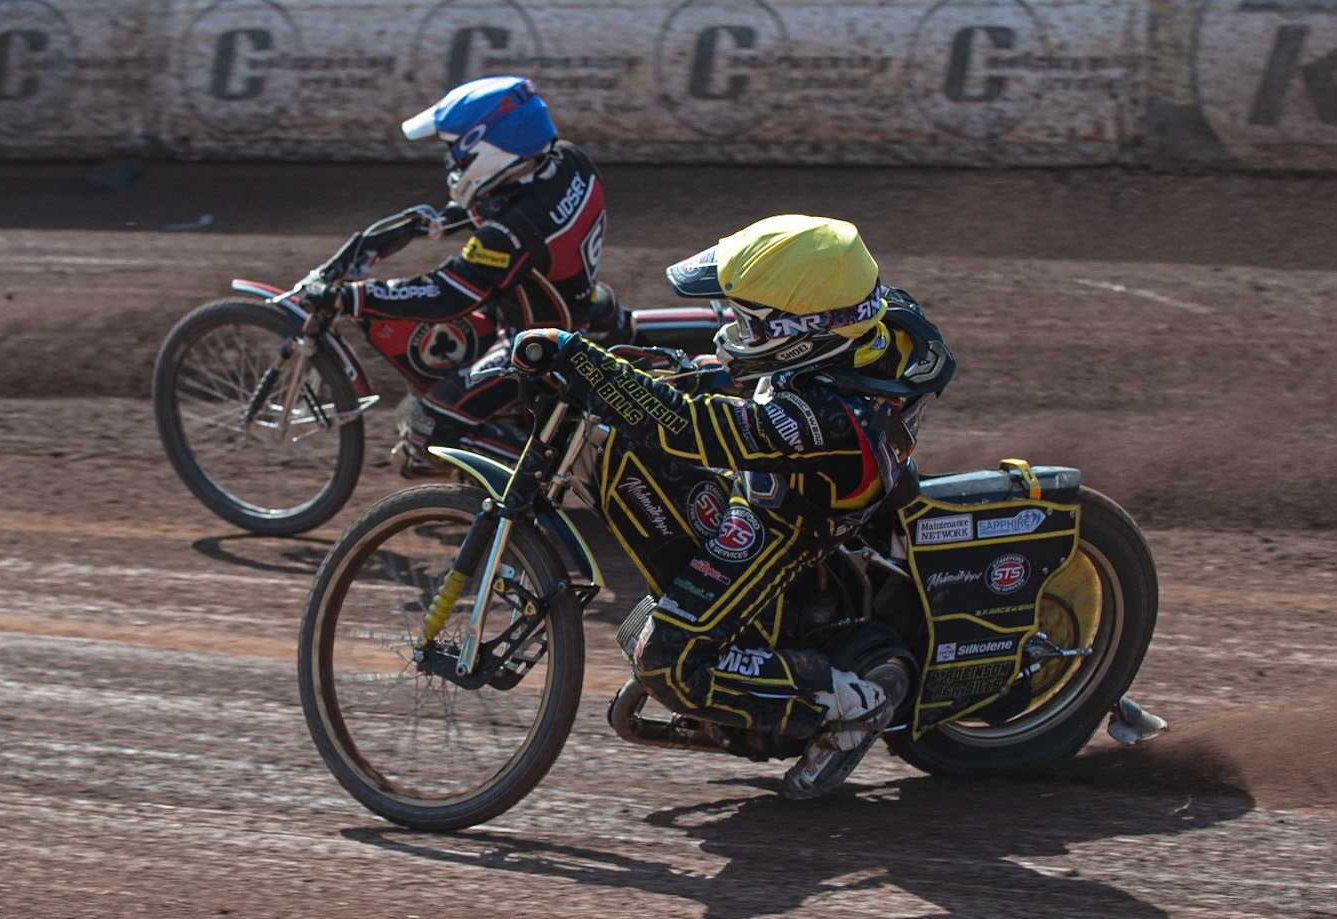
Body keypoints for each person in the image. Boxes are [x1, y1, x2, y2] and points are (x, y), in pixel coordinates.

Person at [510, 214, 955, 799]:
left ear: (802, 331)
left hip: (789, 521)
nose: (732, 327)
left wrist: (582, 359)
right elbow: (764, 375)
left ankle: (853, 700)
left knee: (665, 660)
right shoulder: (869, 314)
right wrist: (694, 370)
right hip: (816, 469)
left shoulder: (822, 417)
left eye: (748, 320)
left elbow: (688, 428)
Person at [303, 75, 627, 475]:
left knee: (427, 428)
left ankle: (560, 466)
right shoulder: (569, 161)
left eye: (455, 149)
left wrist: (352, 297)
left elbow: (445, 295)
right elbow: (510, 205)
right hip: (574, 302)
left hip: (535, 346)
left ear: (488, 146)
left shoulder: (509, 232)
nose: (451, 161)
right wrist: (431, 223)